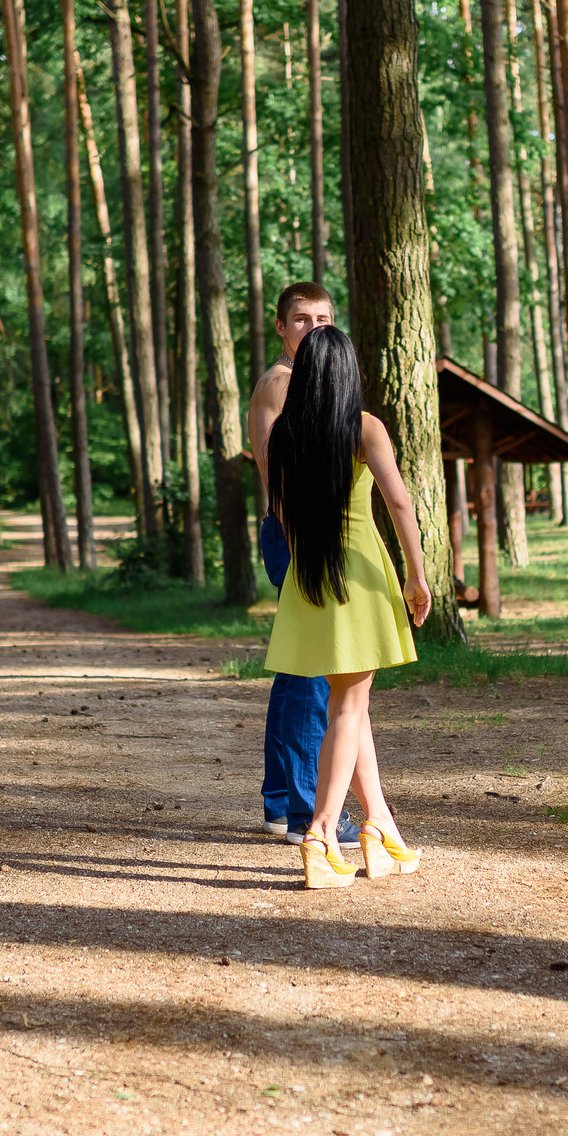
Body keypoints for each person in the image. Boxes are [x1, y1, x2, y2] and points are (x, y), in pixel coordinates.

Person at [262, 325, 432, 889]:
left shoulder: (285, 435)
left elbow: (282, 515)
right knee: (347, 709)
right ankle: (321, 832)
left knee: (349, 704)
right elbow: (401, 504)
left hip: (310, 578)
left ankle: (379, 828)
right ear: (348, 373)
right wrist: (417, 575)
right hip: (357, 577)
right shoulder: (363, 429)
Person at [246, 282, 358, 844]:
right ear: (280, 328)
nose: (314, 329)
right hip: (295, 536)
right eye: (301, 320)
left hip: (310, 535)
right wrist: (304, 544)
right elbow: (277, 476)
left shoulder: (314, 382)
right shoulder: (282, 383)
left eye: (324, 319)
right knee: (315, 672)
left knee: (298, 672)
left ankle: (279, 802)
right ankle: (306, 810)